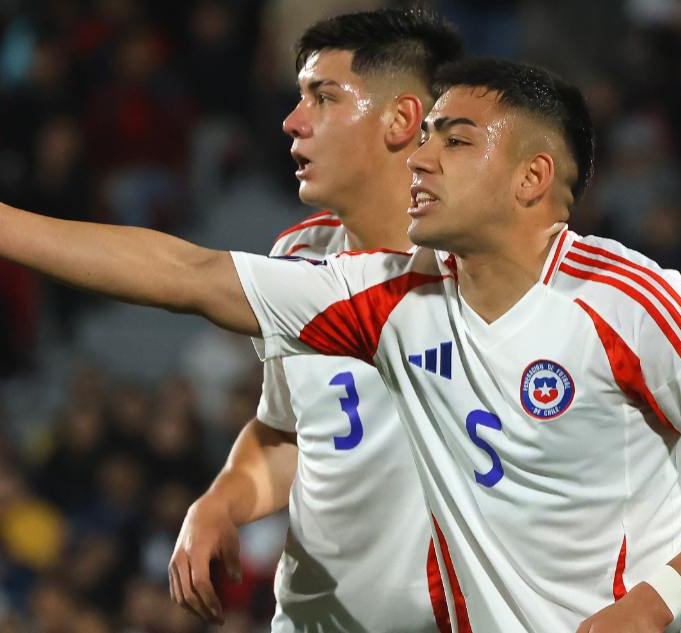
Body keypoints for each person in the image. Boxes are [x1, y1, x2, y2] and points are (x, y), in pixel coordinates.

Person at [0, 57, 681, 632]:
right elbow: (191, 276)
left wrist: (652, 605)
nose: (418, 155)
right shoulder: (387, 301)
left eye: (454, 138)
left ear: (532, 178)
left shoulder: (632, 303)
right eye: (419, 133)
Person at [171, 9, 463, 631]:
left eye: (322, 98)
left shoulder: (502, 273)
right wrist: (220, 500)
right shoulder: (299, 257)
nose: (292, 121)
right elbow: (287, 434)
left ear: (402, 119)